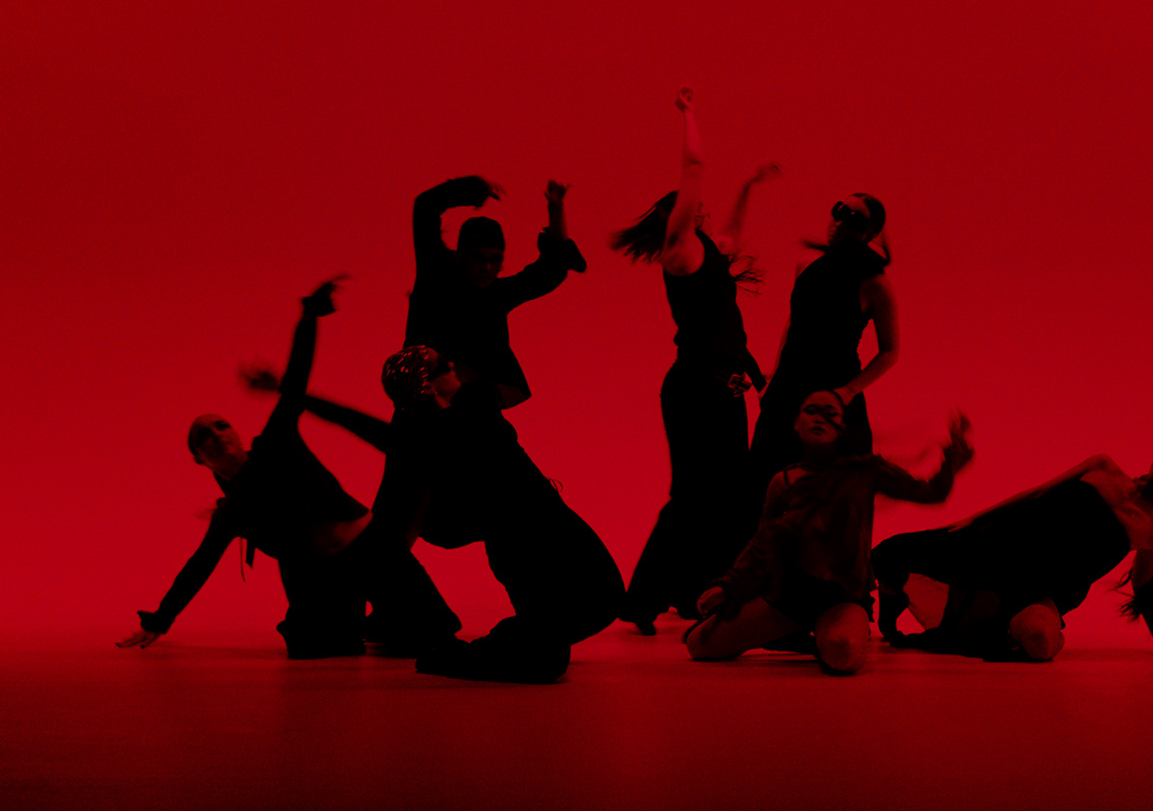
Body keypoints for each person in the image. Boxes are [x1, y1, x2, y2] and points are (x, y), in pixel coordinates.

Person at [117, 279, 460, 658]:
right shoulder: (231, 512)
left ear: (236, 434)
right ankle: (364, 622)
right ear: (199, 459)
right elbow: (200, 565)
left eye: (221, 426)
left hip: (372, 548)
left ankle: (388, 619)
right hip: (321, 576)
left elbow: (296, 380)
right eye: (203, 436)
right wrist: (161, 619)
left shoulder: (275, 442)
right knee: (314, 648)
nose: (216, 435)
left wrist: (308, 318)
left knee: (435, 636)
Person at [265, 344, 624, 683]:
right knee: (549, 649)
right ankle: (490, 649)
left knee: (564, 628)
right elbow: (358, 423)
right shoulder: (440, 436)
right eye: (442, 365)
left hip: (555, 551)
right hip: (544, 555)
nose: (452, 365)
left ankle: (501, 646)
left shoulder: (441, 433)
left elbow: (360, 426)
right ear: (427, 385)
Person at [612, 88, 779, 634]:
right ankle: (642, 600)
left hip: (726, 390)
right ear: (678, 218)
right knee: (690, 498)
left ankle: (697, 589)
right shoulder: (679, 252)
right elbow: (695, 168)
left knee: (729, 498)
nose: (702, 210)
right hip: (694, 389)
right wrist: (689, 114)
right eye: (693, 207)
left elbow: (733, 233)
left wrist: (748, 186)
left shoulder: (709, 252)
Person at [684, 392, 973, 675]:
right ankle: (798, 634)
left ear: (842, 427)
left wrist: (952, 458)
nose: (819, 418)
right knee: (699, 645)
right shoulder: (784, 480)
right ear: (797, 424)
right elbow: (762, 543)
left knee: (842, 653)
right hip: (788, 596)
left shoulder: (866, 471)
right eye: (811, 411)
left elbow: (931, 492)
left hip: (841, 597)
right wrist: (728, 587)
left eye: (830, 413)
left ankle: (831, 634)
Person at [872, 452, 1153, 661]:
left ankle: (1015, 630)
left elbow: (1144, 587)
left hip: (1045, 591)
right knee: (888, 553)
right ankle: (890, 608)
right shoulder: (1104, 467)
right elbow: (1037, 493)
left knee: (1040, 641)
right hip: (998, 550)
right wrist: (975, 519)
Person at [404, 174, 585, 409]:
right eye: (478, 258)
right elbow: (425, 207)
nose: (487, 268)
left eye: (495, 259)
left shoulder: (496, 295)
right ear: (461, 257)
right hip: (422, 405)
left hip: (476, 407)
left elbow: (550, 270)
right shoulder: (436, 276)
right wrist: (474, 188)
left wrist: (556, 210)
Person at [749, 192, 897, 476]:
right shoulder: (807, 264)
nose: (840, 222)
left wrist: (848, 391)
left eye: (853, 219)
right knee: (766, 479)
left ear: (871, 233)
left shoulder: (875, 283)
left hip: (833, 394)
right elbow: (793, 322)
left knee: (832, 486)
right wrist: (775, 378)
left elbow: (890, 351)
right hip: (787, 388)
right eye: (838, 211)